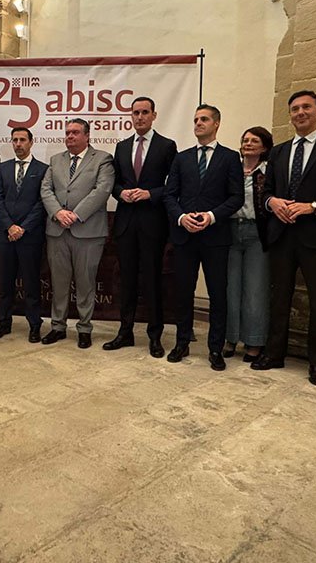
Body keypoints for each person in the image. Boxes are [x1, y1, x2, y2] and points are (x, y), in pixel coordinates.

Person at [252, 90, 316, 386]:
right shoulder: (279, 151)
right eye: (295, 108)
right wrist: (272, 203)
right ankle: (274, 354)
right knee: (279, 298)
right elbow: (267, 190)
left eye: (306, 107)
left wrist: (313, 207)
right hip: (282, 235)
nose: (300, 112)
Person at [164, 104, 244, 371]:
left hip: (215, 237)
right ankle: (182, 342)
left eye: (204, 119)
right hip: (185, 235)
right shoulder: (182, 158)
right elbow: (169, 195)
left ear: (217, 123)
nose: (198, 123)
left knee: (217, 294)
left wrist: (210, 216)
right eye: (196, 119)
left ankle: (215, 348)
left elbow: (236, 197)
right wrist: (181, 218)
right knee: (183, 292)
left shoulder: (230, 157)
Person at [104, 96, 177, 358]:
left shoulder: (167, 146)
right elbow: (113, 183)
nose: (140, 117)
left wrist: (150, 194)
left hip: (153, 223)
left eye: (145, 112)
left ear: (154, 115)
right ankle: (125, 332)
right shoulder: (122, 147)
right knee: (127, 280)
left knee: (152, 280)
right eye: (135, 113)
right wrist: (120, 193)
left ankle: (155, 335)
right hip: (125, 223)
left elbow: (174, 185)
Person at [40, 117, 115, 349]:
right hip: (57, 230)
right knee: (59, 283)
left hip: (88, 232)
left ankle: (84, 328)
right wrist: (58, 213)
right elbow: (46, 189)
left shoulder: (102, 159)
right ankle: (58, 327)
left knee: (85, 282)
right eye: (67, 133)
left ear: (87, 136)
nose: (69, 137)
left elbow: (102, 190)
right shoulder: (55, 160)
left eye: (75, 133)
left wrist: (76, 214)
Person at [0, 127, 48, 343]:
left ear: (31, 142)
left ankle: (34, 325)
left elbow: (42, 203)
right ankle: (4, 322)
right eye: (15, 140)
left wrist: (22, 228)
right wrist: (10, 226)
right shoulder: (2, 168)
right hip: (6, 235)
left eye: (23, 140)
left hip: (30, 236)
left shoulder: (43, 169)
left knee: (31, 282)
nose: (18, 144)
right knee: (5, 282)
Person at [224, 126, 273, 363]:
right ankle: (230, 337)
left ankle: (254, 341)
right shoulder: (232, 169)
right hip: (231, 231)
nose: (248, 143)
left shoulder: (269, 171)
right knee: (230, 289)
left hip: (257, 233)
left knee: (255, 290)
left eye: (255, 140)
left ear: (264, 147)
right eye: (245, 140)